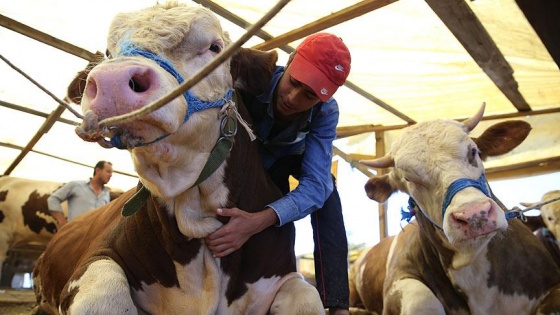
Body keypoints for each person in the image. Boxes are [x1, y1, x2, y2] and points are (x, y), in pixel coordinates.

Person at [206, 33, 351, 315]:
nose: (293, 98)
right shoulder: (248, 70)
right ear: (291, 60)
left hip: (278, 166)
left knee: (327, 189)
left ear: (326, 96)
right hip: (230, 158)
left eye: (309, 95)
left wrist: (259, 221)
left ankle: (336, 304)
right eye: (294, 83)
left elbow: (316, 184)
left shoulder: (325, 112)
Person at [48, 160, 113, 228]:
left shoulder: (106, 193)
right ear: (98, 170)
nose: (111, 175)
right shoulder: (76, 185)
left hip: (95, 235)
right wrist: (61, 221)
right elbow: (53, 199)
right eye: (108, 171)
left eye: (111, 173)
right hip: (74, 233)